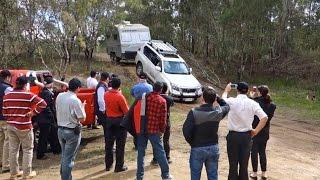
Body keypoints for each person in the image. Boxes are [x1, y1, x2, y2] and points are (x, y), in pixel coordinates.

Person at [3, 76, 47, 179]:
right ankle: (27, 174)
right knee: (27, 149)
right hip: (24, 126)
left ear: (15, 84)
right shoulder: (28, 95)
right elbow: (43, 104)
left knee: (13, 150)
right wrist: (33, 113)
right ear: (25, 85)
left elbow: (5, 112)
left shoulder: (7, 96)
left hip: (10, 125)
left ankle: (14, 173)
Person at [222, 82, 268, 180]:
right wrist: (255, 131)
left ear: (237, 90)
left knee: (233, 165)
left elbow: (222, 100)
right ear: (247, 91)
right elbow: (264, 117)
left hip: (233, 136)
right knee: (244, 166)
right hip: (246, 136)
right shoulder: (253, 103)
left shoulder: (231, 101)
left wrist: (226, 90)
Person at [183, 86, 230, 180]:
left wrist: (192, 143)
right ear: (214, 99)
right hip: (213, 147)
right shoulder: (218, 111)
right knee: (213, 176)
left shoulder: (194, 112)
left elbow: (186, 131)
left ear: (202, 98)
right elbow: (227, 106)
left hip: (197, 147)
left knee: (195, 176)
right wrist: (217, 97)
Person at [136, 82, 172, 180]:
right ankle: (165, 175)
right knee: (160, 152)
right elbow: (163, 118)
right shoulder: (162, 101)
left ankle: (139, 177)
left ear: (153, 88)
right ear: (161, 90)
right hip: (154, 130)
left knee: (140, 153)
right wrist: (162, 130)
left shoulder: (146, 97)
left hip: (143, 129)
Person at [56, 78, 86, 180]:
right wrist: (83, 107)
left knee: (65, 156)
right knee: (69, 158)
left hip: (60, 129)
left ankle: (64, 176)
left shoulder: (60, 96)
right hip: (72, 131)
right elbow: (82, 118)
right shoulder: (75, 100)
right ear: (78, 88)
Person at [250, 86, 276, 180]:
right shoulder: (272, 105)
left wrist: (253, 97)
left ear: (260, 92)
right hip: (265, 131)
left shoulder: (255, 102)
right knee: (262, 152)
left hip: (255, 129)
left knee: (253, 152)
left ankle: (254, 173)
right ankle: (264, 173)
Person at [104, 77, 129, 172]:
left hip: (109, 120)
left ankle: (108, 165)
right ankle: (119, 166)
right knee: (120, 145)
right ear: (119, 86)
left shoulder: (106, 94)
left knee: (109, 144)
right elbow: (126, 111)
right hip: (119, 121)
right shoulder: (120, 96)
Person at [36, 76, 61, 160]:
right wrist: (52, 116)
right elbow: (46, 106)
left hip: (44, 118)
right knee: (44, 137)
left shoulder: (43, 92)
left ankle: (56, 149)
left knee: (51, 134)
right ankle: (41, 154)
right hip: (46, 118)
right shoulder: (47, 93)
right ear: (51, 84)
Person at [151, 83, 174, 165]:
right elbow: (172, 103)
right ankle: (167, 157)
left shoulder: (155, 98)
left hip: (157, 121)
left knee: (157, 141)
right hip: (167, 121)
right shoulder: (169, 98)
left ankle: (155, 159)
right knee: (166, 140)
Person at [131, 72, 153, 149]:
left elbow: (132, 94)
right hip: (147, 106)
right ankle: (145, 144)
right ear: (146, 78)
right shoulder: (150, 87)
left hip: (137, 106)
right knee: (145, 125)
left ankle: (136, 144)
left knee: (136, 125)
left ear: (139, 78)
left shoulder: (135, 87)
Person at [0, 70, 13, 173]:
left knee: (1, 141)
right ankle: (6, 164)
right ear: (8, 77)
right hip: (5, 118)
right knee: (7, 141)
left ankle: (1, 161)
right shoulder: (7, 88)